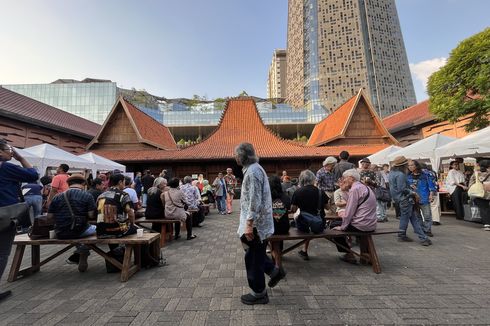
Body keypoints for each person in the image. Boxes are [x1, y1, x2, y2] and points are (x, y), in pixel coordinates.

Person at [235, 142, 285, 305]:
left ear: (242, 156)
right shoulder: (253, 169)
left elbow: (255, 200)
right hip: (257, 222)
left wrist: (249, 224)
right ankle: (274, 271)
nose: (234, 157)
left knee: (253, 258)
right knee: (254, 252)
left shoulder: (253, 172)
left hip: (256, 224)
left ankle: (259, 293)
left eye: (236, 154)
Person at [0, 140, 39, 302]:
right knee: (2, 253)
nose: (11, 152)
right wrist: (20, 158)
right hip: (4, 214)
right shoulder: (6, 167)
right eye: (9, 149)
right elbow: (33, 175)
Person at [48, 174, 97, 271]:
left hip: (60, 232)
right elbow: (91, 215)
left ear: (68, 183)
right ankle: (81, 251)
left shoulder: (57, 197)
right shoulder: (87, 196)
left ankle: (80, 253)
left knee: (78, 234)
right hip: (79, 231)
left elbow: (49, 217)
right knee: (99, 231)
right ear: (83, 183)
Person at [331, 169, 377, 264]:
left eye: (345, 178)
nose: (343, 181)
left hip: (361, 225)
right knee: (339, 221)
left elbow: (349, 212)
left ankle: (349, 254)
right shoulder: (365, 187)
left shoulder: (355, 189)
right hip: (371, 224)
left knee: (333, 225)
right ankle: (364, 254)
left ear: (351, 178)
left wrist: (343, 227)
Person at [389, 156, 431, 246]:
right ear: (404, 165)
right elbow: (402, 189)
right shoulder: (400, 174)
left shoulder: (392, 173)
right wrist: (413, 192)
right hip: (405, 198)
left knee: (412, 218)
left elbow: (396, 187)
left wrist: (410, 186)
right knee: (409, 218)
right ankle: (421, 238)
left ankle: (421, 237)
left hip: (399, 198)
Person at [291, 170, 328, 261]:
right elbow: (327, 207)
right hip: (319, 225)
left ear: (301, 180)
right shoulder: (320, 192)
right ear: (313, 179)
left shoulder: (298, 192)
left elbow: (293, 209)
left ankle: (304, 250)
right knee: (311, 227)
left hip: (304, 225)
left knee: (297, 220)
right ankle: (304, 250)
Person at [407, 160, 437, 237]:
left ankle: (427, 230)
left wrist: (431, 195)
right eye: (409, 165)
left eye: (412, 165)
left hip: (424, 198)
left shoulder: (426, 175)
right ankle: (420, 230)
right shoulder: (408, 176)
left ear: (416, 166)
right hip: (413, 199)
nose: (410, 167)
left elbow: (431, 186)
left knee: (427, 216)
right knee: (417, 216)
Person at [269, 176, 291, 267]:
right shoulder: (285, 197)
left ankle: (275, 256)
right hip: (284, 228)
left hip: (270, 228)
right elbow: (290, 208)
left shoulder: (266, 197)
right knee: (279, 223)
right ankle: (278, 253)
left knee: (272, 225)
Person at [468, 160, 490, 230]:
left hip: (479, 194)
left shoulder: (476, 174)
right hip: (488, 193)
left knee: (484, 208)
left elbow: (470, 184)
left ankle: (487, 224)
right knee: (487, 208)